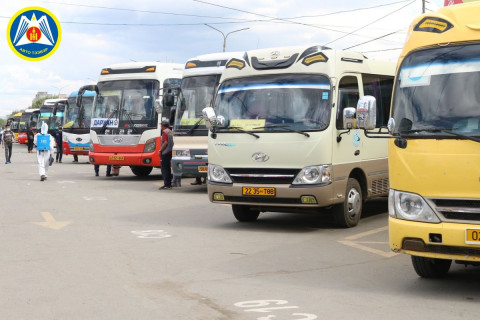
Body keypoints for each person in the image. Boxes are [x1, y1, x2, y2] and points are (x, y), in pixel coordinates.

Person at [159, 120, 174, 189]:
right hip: (170, 151)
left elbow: (165, 142)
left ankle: (167, 184)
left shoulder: (165, 132)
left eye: (161, 125)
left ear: (163, 126)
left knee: (164, 169)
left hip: (165, 152)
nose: (160, 127)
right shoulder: (170, 131)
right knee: (168, 169)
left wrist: (160, 150)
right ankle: (169, 183)